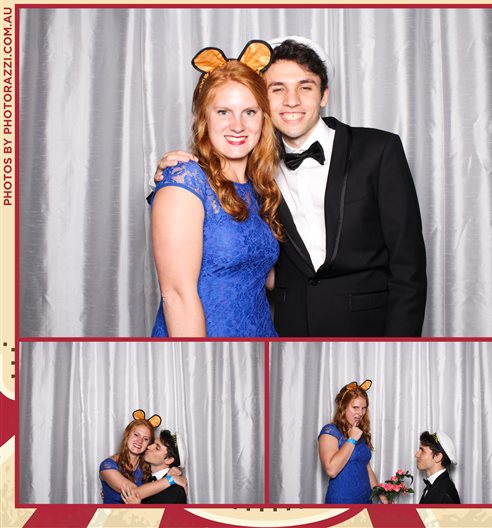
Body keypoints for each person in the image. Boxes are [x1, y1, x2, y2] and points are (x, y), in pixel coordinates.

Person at [155, 36, 426, 337]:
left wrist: (401, 346)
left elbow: (408, 266)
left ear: (324, 95)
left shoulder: (376, 150)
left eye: (305, 87)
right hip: (284, 332)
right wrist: (173, 181)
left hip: (362, 330)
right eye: (278, 89)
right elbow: (181, 282)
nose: (292, 101)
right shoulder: (245, 170)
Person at [150, 40, 282, 337]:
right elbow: (177, 296)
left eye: (249, 112)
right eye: (223, 112)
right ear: (204, 118)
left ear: (263, 119)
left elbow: (266, 276)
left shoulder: (260, 188)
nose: (237, 125)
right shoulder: (185, 180)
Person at [318, 380, 386, 504]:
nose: (360, 413)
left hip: (366, 500)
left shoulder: (360, 432)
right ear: (342, 405)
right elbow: (331, 470)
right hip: (341, 502)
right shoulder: (330, 431)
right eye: (355, 407)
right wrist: (352, 439)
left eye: (364, 408)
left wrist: (382, 496)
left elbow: (367, 468)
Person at [99, 411, 186, 504]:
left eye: (146, 439)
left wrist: (176, 469)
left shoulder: (146, 465)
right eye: (136, 435)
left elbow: (161, 468)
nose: (139, 441)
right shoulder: (107, 466)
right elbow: (133, 493)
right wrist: (171, 479)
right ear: (127, 435)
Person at [121, 429, 187, 504]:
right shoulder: (144, 476)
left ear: (168, 460)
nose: (149, 447)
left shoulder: (174, 490)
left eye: (157, 448)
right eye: (153, 443)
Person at [416, 430, 461, 504]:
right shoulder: (435, 485)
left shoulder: (444, 492)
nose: (417, 455)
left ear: (438, 457)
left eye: (422, 451)